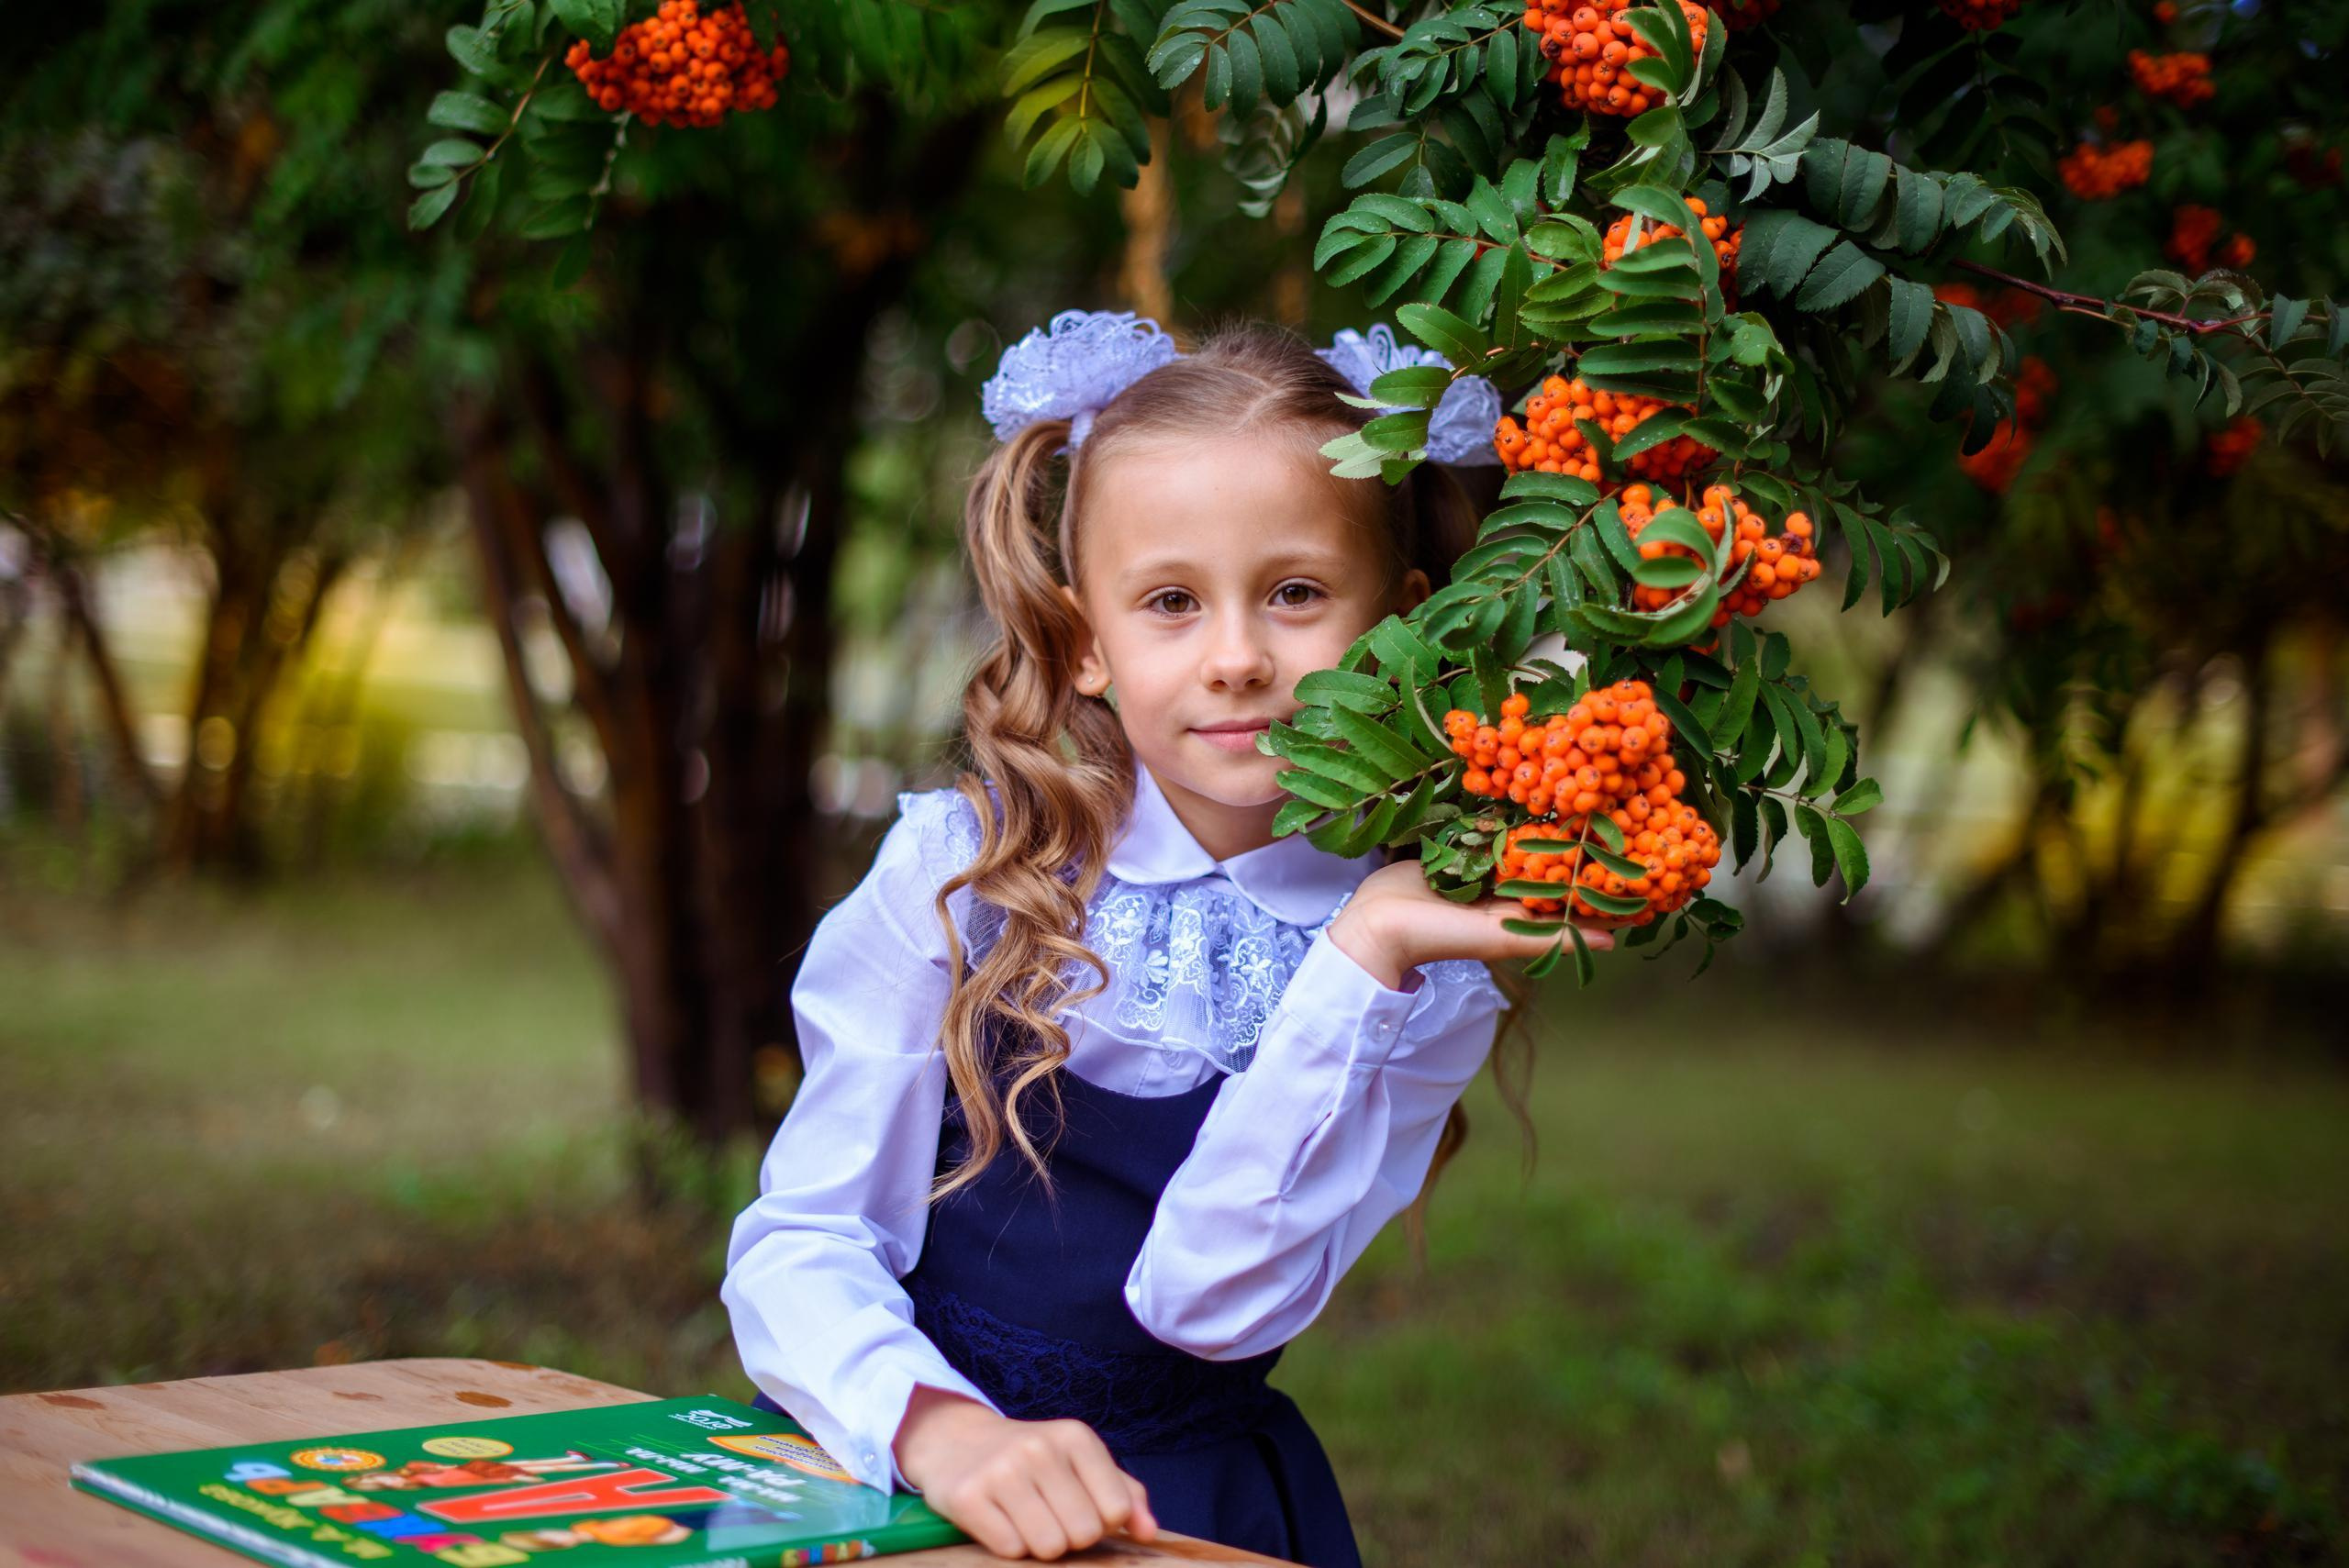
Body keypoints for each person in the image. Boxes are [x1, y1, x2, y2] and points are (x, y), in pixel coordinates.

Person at [721, 311, 1614, 1565]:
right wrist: (945, 1432)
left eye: (1296, 592)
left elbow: (1208, 1304)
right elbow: (800, 1244)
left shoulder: (1420, 958)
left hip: (1179, 1516)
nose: (1239, 657)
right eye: (1173, 602)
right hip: (890, 1467)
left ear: (1407, 621)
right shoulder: (962, 873)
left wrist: (1365, 955)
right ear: (1088, 640)